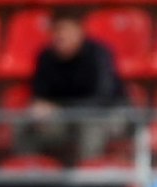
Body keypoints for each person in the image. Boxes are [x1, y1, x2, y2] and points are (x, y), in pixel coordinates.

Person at [22, 9, 126, 164]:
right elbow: (39, 96)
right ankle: (29, 177)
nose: (61, 36)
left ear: (80, 31)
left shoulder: (98, 55)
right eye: (56, 30)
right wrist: (39, 108)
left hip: (107, 115)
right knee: (25, 124)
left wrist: (59, 108)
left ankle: (89, 182)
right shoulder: (46, 57)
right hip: (65, 118)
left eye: (66, 30)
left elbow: (103, 99)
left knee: (90, 128)